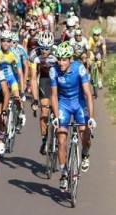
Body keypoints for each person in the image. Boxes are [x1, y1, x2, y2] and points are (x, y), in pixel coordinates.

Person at [50, 42, 96, 191]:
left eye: (64, 59)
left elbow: (88, 94)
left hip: (79, 103)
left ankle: (85, 154)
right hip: (63, 104)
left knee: (85, 136)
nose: (61, 62)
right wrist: (56, 117)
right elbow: (54, 95)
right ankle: (63, 173)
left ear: (70, 59)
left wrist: (92, 118)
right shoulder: (53, 71)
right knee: (61, 140)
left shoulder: (80, 68)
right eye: (59, 59)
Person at [0, 30, 26, 135]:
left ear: (11, 41)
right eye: (3, 40)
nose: (6, 43)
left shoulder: (14, 53)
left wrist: (22, 91)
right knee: (2, 105)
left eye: (8, 41)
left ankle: (20, 113)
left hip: (12, 78)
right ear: (0, 41)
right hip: (0, 80)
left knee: (17, 97)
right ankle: (2, 128)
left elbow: (20, 73)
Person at [30, 30, 57, 155]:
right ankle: (44, 139)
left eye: (47, 48)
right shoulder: (34, 55)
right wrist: (35, 99)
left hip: (58, 80)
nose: (45, 51)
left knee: (59, 110)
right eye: (42, 48)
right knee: (44, 110)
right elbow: (34, 78)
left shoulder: (57, 53)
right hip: (45, 80)